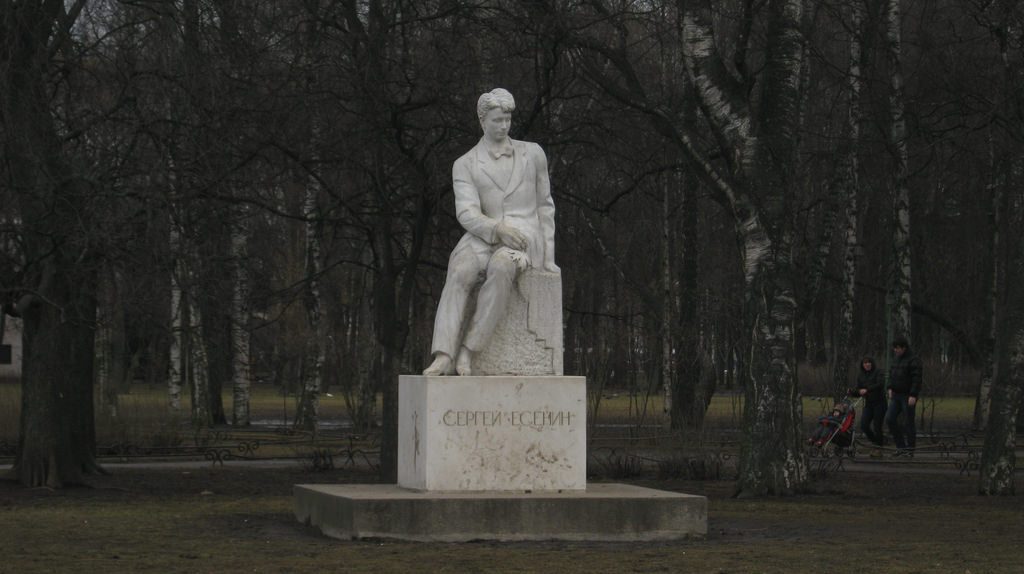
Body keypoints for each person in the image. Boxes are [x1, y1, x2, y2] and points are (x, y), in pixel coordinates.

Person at [423, 88, 559, 376]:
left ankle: (469, 349)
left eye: (508, 119)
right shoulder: (466, 164)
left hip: (524, 237)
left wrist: (548, 256)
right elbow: (467, 212)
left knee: (501, 267)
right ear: (482, 120)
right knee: (460, 271)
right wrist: (497, 229)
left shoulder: (532, 153)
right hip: (484, 235)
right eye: (498, 120)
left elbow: (546, 206)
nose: (504, 126)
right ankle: (444, 354)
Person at [885, 337, 922, 457]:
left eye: (898, 348)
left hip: (908, 395)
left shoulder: (914, 360)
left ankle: (910, 450)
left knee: (909, 422)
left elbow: (917, 379)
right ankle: (901, 447)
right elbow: (891, 375)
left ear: (904, 348)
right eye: (894, 348)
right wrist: (890, 388)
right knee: (890, 419)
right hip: (896, 395)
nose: (895, 350)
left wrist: (913, 395)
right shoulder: (896, 360)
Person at [850, 356, 885, 456]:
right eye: (865, 363)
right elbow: (859, 389)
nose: (867, 364)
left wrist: (867, 389)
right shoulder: (861, 376)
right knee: (864, 425)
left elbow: (880, 384)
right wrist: (853, 392)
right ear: (862, 365)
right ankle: (876, 443)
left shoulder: (879, 372)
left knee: (877, 426)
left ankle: (878, 449)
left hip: (880, 403)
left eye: (869, 362)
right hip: (869, 404)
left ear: (872, 363)